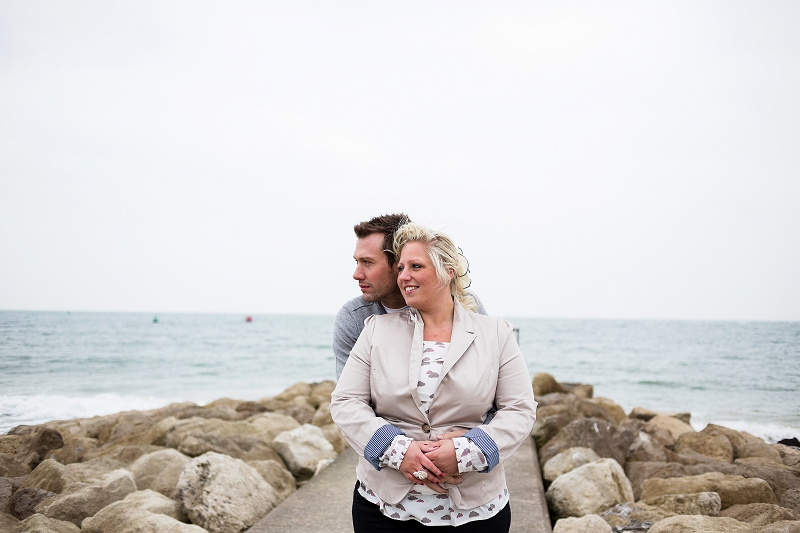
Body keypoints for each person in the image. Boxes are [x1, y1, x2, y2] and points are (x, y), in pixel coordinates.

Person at [331, 223, 536, 532]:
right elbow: (346, 402)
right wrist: (399, 451)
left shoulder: (496, 333)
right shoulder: (375, 329)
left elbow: (519, 410)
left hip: (476, 511)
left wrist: (466, 451)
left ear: (448, 271)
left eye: (416, 266)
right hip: (383, 508)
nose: (404, 276)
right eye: (400, 267)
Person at [334, 214, 487, 380]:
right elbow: (349, 398)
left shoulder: (464, 303)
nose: (356, 274)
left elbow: (488, 377)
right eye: (357, 262)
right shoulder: (355, 318)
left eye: (367, 262)